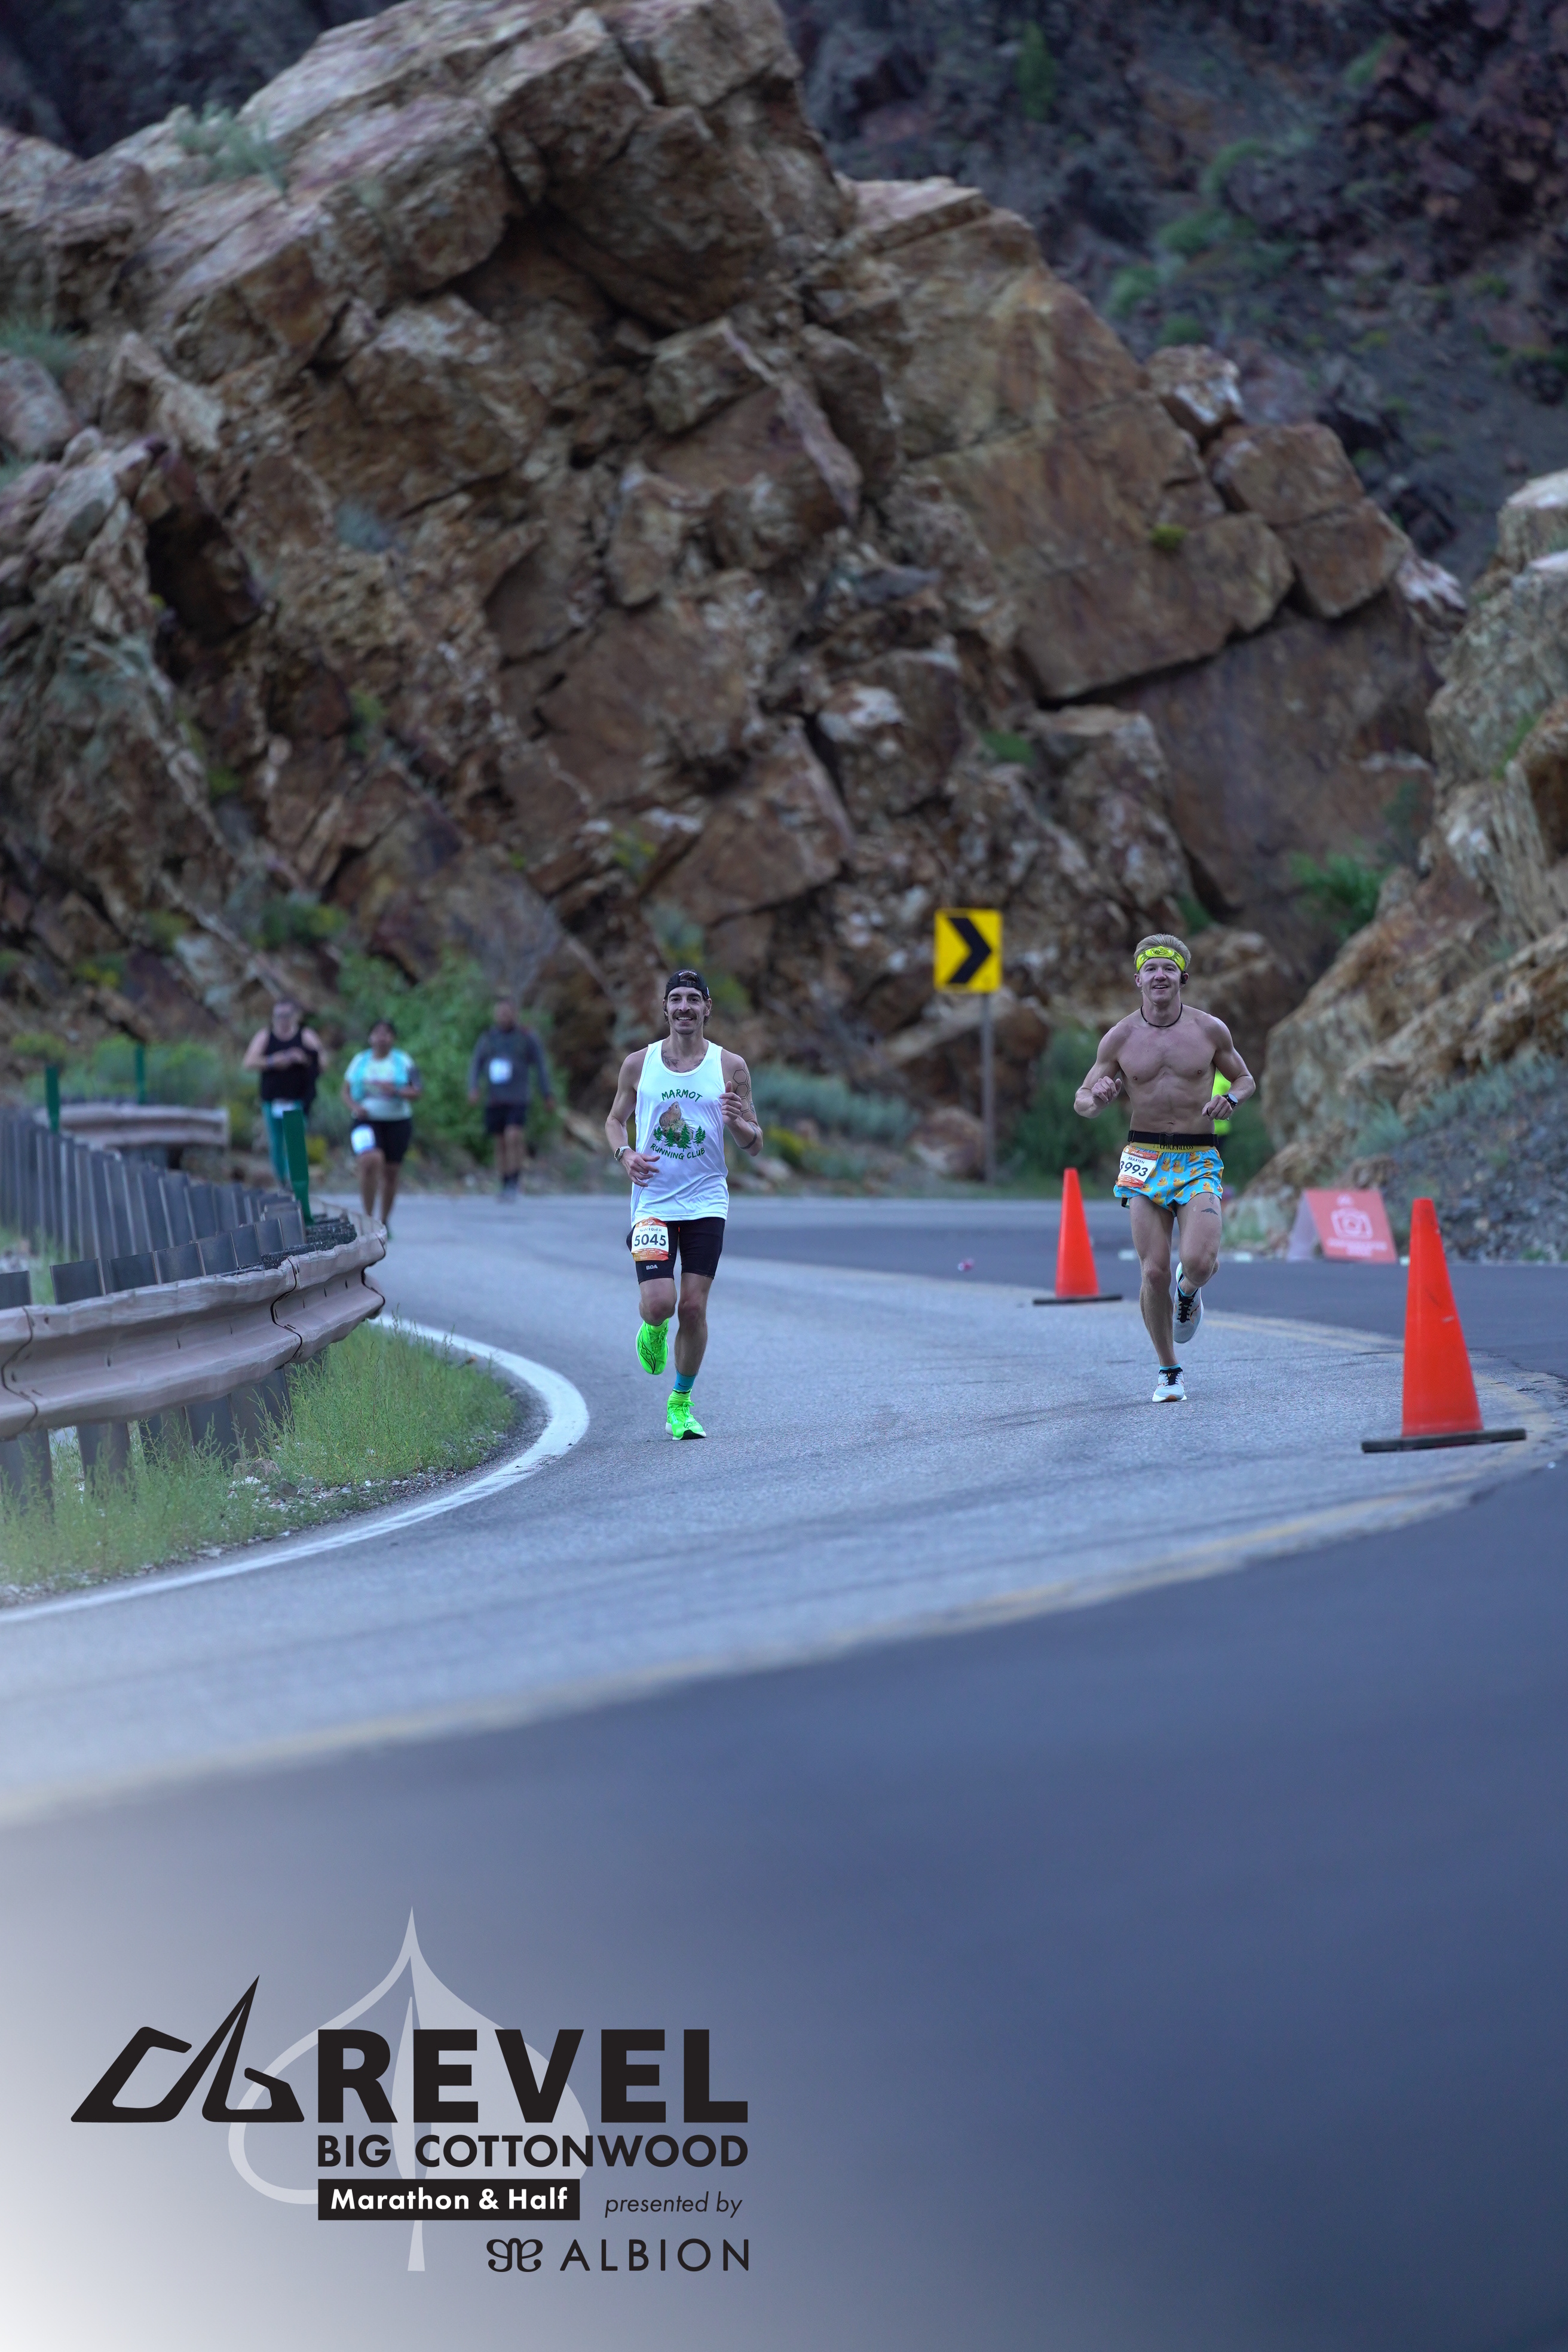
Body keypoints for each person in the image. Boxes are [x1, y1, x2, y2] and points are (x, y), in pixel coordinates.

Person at [1073, 933, 1255, 1404]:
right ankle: (1169, 1370)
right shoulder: (1120, 1037)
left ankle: (1189, 1289)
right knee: (1153, 1272)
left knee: (1199, 1262)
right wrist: (1098, 1099)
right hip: (1144, 1158)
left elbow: (1244, 1078)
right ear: (1138, 979)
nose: (1159, 976)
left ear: (1182, 978)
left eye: (1168, 968)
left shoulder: (1209, 1030)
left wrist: (1231, 1099)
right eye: (1151, 968)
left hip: (1198, 1157)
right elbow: (1082, 1100)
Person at [604, 967, 764, 1440]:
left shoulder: (730, 1066)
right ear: (665, 1008)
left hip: (706, 1203)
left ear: (707, 1008)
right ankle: (652, 1328)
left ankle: (681, 1403)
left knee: (693, 1308)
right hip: (652, 1201)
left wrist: (737, 1123)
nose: (684, 1007)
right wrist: (625, 1154)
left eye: (694, 999)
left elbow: (755, 1143)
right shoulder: (639, 1064)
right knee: (660, 1305)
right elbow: (614, 1121)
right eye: (676, 999)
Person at [341, 1018, 422, 1234]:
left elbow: (417, 1091)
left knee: (391, 1173)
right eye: (377, 1033)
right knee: (370, 1161)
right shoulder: (360, 1061)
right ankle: (368, 1219)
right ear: (370, 1037)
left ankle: (384, 1221)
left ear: (393, 1038)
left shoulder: (404, 1061)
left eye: (386, 1033)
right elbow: (345, 1091)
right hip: (365, 1120)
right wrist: (355, 1107)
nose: (381, 1038)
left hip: (398, 1121)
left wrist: (396, 1091)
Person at [467, 997, 554, 1196]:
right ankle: (505, 1180)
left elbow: (540, 1066)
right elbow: (476, 1064)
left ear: (515, 1014)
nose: (503, 1017)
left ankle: (516, 1178)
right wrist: (474, 1088)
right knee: (500, 1141)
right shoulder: (488, 1038)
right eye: (500, 1013)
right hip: (495, 1098)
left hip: (518, 1097)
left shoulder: (526, 1038)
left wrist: (547, 1093)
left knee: (513, 1136)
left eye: (507, 1013)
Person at [243, 997, 326, 1190]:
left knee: (295, 1140)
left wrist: (303, 1059)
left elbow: (322, 1062)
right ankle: (281, 1180)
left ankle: (298, 1182)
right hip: (272, 1099)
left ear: (295, 1016)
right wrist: (274, 1061)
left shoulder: (306, 1036)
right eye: (278, 1016)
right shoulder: (265, 1036)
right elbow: (249, 1062)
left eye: (287, 1015)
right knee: (276, 1141)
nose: (283, 1020)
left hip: (297, 1098)